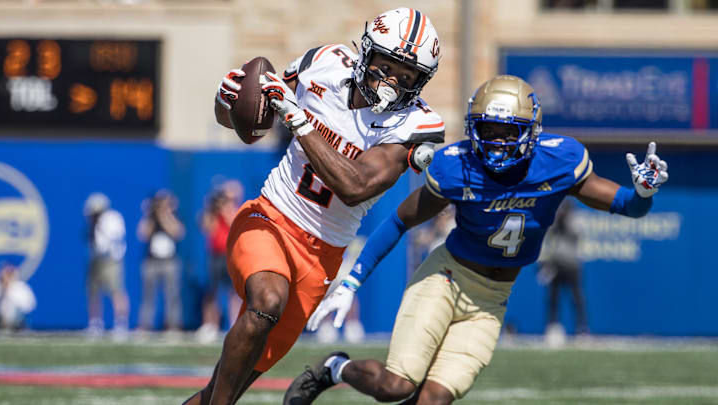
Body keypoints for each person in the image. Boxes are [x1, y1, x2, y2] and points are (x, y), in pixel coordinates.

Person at [285, 75, 669, 405]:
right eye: (488, 130)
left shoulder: (560, 161)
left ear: (531, 132)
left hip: (492, 301)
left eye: (508, 132)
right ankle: (335, 367)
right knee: (395, 386)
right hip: (447, 278)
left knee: (433, 399)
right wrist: (352, 281)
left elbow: (626, 206)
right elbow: (400, 220)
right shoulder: (456, 165)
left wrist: (643, 195)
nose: (498, 141)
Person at [183, 7, 445, 405]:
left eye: (407, 77)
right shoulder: (323, 63)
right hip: (269, 218)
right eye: (386, 67)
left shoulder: (416, 124)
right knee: (266, 302)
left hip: (321, 257)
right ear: (366, 53)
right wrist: (227, 100)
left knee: (221, 391)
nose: (392, 82)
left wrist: (299, 120)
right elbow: (250, 124)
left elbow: (356, 186)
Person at [196, 180, 244, 343]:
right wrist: (211, 209)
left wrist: (226, 209)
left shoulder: (235, 209)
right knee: (212, 292)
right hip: (215, 255)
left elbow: (234, 224)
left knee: (233, 293)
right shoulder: (212, 213)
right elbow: (207, 228)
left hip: (230, 254)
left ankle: (233, 324)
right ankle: (210, 324)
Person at [537, 198, 589, 340]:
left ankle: (582, 328)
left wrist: (565, 221)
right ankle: (552, 327)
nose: (562, 212)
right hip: (556, 265)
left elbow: (575, 234)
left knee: (577, 298)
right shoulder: (554, 222)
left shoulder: (576, 221)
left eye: (564, 209)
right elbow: (548, 239)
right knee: (553, 298)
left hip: (571, 265)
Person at [137, 189, 185, 332]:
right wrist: (150, 215)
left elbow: (177, 233)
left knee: (172, 294)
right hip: (151, 260)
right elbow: (143, 234)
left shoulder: (174, 216)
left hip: (170, 261)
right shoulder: (150, 218)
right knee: (148, 295)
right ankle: (145, 324)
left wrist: (164, 214)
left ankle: (173, 324)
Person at [84, 192, 129, 338]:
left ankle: (121, 323)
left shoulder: (112, 218)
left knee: (116, 291)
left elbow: (112, 238)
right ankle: (95, 323)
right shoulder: (93, 222)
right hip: (96, 259)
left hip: (111, 260)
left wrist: (101, 228)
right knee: (93, 292)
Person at [0, 263, 36, 331]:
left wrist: (10, 293)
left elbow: (30, 306)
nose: (8, 277)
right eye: (6, 273)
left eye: (10, 274)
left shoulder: (21, 287)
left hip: (18, 323)